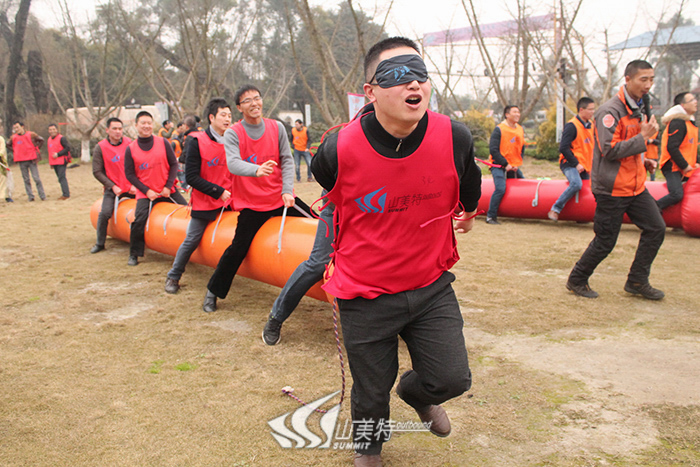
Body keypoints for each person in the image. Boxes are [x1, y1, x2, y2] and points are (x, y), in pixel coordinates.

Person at [311, 37, 481, 466]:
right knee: (372, 388)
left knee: (452, 378)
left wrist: (469, 212)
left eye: (419, 73)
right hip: (364, 292)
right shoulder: (337, 148)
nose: (413, 84)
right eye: (397, 75)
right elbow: (329, 185)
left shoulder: (454, 137)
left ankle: (416, 394)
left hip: (430, 285)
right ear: (370, 91)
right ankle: (369, 449)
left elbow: (470, 183)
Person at [202, 84, 312, 313]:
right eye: (247, 101)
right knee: (238, 248)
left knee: (319, 223)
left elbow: (287, 159)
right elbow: (233, 163)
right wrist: (256, 169)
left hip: (280, 197)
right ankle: (213, 292)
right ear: (239, 107)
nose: (254, 103)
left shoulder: (276, 127)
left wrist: (287, 190)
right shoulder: (233, 133)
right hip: (253, 204)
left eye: (257, 98)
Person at [567, 60, 665, 300]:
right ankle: (577, 279)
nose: (648, 85)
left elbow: (629, 144)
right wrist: (643, 139)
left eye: (651, 79)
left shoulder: (640, 106)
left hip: (635, 186)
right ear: (628, 79)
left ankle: (637, 281)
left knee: (656, 228)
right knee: (606, 240)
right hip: (611, 189)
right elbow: (609, 150)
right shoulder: (609, 112)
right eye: (643, 79)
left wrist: (643, 159)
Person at [164, 98, 233, 294]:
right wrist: (218, 192)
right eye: (223, 115)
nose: (227, 119)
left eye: (229, 115)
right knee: (192, 238)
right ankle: (174, 276)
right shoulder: (196, 141)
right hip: (206, 201)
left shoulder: (233, 140)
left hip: (231, 200)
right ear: (211, 117)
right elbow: (191, 178)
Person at [124, 111, 187, 266]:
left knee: (187, 212)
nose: (146, 126)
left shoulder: (163, 142)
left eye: (149, 123)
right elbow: (130, 174)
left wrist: (167, 186)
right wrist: (146, 191)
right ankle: (134, 254)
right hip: (146, 193)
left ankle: (186, 250)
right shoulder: (131, 148)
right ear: (136, 125)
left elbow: (174, 164)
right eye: (143, 123)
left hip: (167, 190)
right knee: (139, 220)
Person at [90, 117, 135, 253]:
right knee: (104, 213)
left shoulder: (130, 143)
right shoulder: (100, 147)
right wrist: (112, 186)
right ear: (107, 130)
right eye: (114, 128)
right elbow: (97, 171)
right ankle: (100, 243)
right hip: (114, 188)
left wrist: (135, 184)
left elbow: (138, 164)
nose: (117, 131)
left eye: (120, 129)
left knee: (143, 210)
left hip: (132, 186)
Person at [548, 97, 595, 221]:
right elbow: (563, 148)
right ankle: (555, 208)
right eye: (590, 109)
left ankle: (581, 216)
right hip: (569, 163)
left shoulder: (591, 126)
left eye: (593, 109)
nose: (592, 112)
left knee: (587, 189)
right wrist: (576, 164)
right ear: (581, 110)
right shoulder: (572, 126)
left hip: (585, 165)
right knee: (576, 184)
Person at [656, 92, 699, 211]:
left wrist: (696, 162)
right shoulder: (678, 122)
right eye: (692, 100)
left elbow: (691, 147)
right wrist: (685, 166)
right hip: (672, 166)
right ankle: (651, 210)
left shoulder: (690, 123)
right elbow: (672, 147)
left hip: (684, 167)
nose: (696, 102)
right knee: (676, 194)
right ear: (682, 105)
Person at [485, 105, 525, 224]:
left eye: (518, 112)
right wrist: (505, 164)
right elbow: (493, 150)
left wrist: (517, 163)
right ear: (507, 115)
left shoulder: (520, 129)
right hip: (498, 164)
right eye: (514, 112)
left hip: (513, 165)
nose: (517, 114)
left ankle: (518, 212)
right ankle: (490, 216)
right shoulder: (499, 129)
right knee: (500, 189)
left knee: (523, 185)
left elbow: (521, 148)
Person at [7, 121, 45, 201]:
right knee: (26, 179)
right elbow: (8, 144)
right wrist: (15, 151)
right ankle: (30, 196)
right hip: (21, 160)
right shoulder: (13, 137)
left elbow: (41, 140)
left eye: (17, 127)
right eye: (15, 128)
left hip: (31, 159)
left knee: (36, 178)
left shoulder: (31, 134)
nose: (16, 129)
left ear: (22, 126)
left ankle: (42, 195)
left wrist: (36, 148)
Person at [46, 123, 72, 200]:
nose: (52, 131)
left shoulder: (62, 138)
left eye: (53, 129)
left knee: (62, 177)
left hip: (62, 160)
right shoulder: (49, 139)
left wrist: (58, 154)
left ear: (57, 130)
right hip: (54, 162)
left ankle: (66, 194)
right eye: (50, 129)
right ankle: (65, 192)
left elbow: (67, 148)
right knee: (60, 178)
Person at [0, 129, 14, 202]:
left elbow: (2, 150)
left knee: (3, 179)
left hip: (2, 163)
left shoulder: (1, 139)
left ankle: (4, 196)